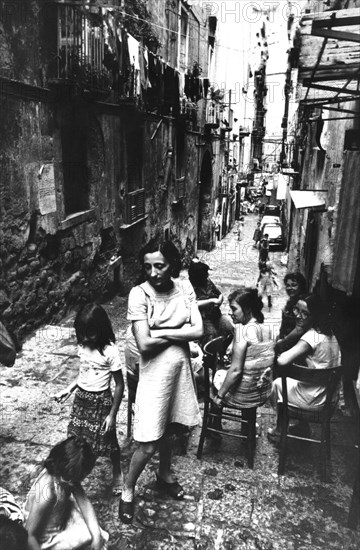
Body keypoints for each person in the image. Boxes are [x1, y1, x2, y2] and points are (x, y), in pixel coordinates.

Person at [120, 239, 203, 524]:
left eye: (160, 266)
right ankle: (127, 489)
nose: (153, 273)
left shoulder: (185, 288)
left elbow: (199, 329)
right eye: (147, 267)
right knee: (148, 442)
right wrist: (180, 330)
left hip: (179, 372)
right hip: (154, 374)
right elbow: (143, 344)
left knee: (171, 429)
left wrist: (162, 330)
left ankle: (164, 475)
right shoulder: (138, 294)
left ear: (172, 265)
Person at [53, 303, 124, 495]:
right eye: (81, 334)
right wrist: (68, 390)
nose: (85, 338)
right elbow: (83, 374)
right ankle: (75, 473)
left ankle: (117, 471)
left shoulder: (110, 351)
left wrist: (112, 415)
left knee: (108, 442)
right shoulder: (83, 346)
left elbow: (119, 385)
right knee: (76, 441)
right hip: (81, 400)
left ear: (101, 329)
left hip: (101, 402)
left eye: (90, 333)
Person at [268, 294, 341, 439]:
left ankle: (280, 428)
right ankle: (302, 426)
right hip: (330, 398)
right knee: (300, 380)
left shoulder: (311, 337)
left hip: (314, 399)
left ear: (315, 316)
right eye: (297, 310)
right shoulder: (330, 333)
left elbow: (282, 361)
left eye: (305, 313)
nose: (299, 316)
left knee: (277, 383)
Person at [24, 436, 108, 550]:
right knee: (86, 536)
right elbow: (29, 535)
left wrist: (97, 536)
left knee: (96, 533)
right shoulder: (47, 494)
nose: (76, 484)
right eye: (73, 480)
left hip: (57, 515)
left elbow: (83, 501)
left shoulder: (66, 476)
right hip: (44, 534)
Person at [212, 287, 274, 429]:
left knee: (216, 378)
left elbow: (236, 371)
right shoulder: (268, 329)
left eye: (234, 309)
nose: (230, 313)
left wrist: (220, 396)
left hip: (244, 395)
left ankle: (214, 426)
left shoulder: (243, 332)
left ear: (247, 309)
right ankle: (248, 428)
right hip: (261, 392)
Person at [188, 259, 233, 346]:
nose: (207, 275)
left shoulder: (208, 281)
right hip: (203, 318)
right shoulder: (189, 287)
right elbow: (192, 304)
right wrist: (210, 301)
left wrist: (220, 299)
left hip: (216, 314)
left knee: (230, 329)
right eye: (205, 274)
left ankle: (222, 352)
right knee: (211, 336)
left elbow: (218, 293)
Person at [275, 272, 308, 355]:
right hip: (287, 340)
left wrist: (283, 341)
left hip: (298, 343)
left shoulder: (303, 304)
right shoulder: (290, 302)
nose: (290, 288)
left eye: (294, 285)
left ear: (301, 286)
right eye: (288, 285)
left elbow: (300, 328)